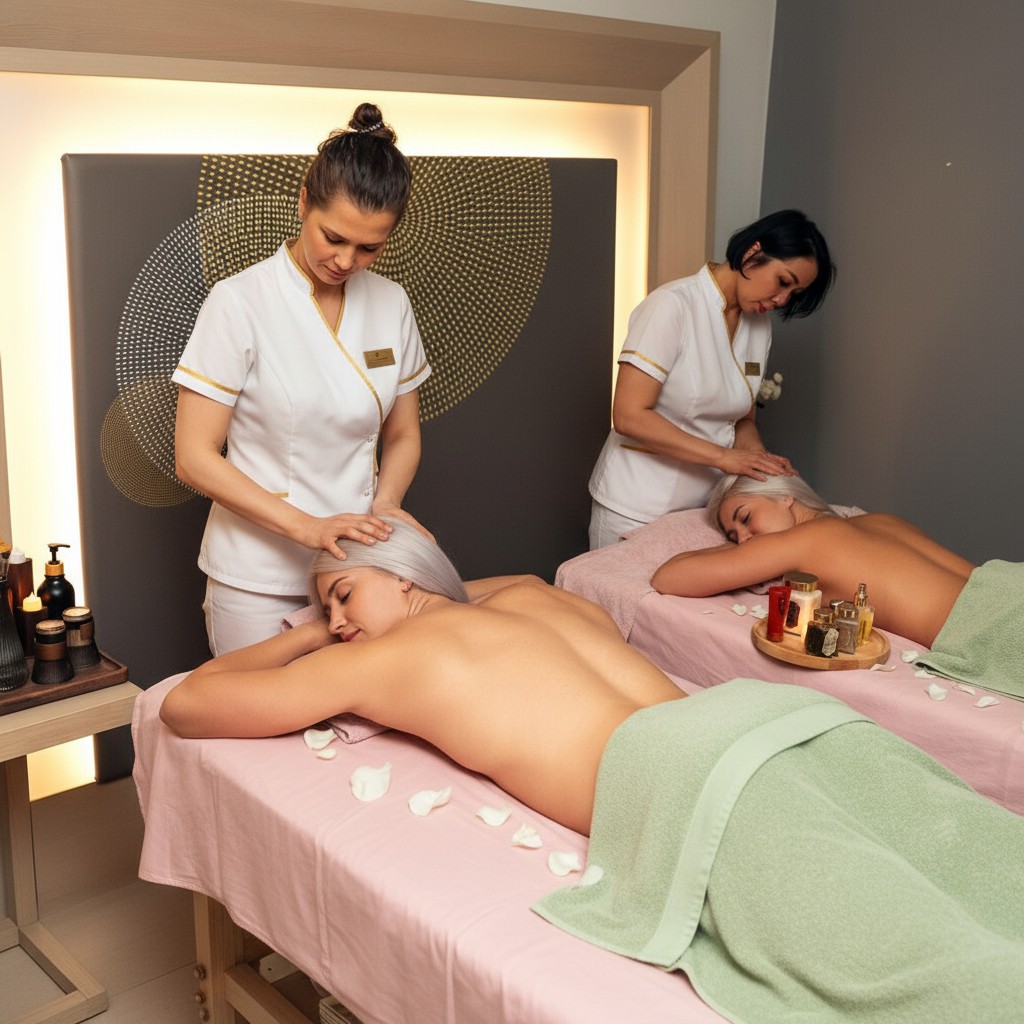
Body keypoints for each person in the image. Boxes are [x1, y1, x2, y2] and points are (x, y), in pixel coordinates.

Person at [160, 519, 1024, 1024]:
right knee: (984, 865)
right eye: (325, 611)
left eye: (341, 594)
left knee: (936, 971)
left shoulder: (384, 660)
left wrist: (313, 638)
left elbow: (189, 703)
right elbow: (473, 587)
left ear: (404, 574)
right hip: (763, 720)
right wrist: (376, 594)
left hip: (690, 778)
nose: (335, 620)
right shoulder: (535, 596)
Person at [173, 102, 432, 656]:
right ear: (303, 203)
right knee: (257, 709)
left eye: (369, 247)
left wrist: (386, 504)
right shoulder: (239, 302)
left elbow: (403, 433)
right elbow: (193, 457)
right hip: (260, 575)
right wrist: (307, 528)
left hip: (356, 572)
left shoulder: (392, 302)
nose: (346, 260)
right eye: (332, 237)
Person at [587, 209, 836, 549]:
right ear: (753, 254)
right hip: (636, 505)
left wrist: (761, 466)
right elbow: (629, 416)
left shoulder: (759, 326)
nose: (781, 300)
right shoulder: (671, 306)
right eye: (783, 281)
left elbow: (742, 420)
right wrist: (724, 458)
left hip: (702, 511)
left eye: (793, 293)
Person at [653, 473, 1024, 700]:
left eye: (746, 518)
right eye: (734, 537)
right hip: (1006, 584)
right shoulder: (877, 520)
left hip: (989, 627)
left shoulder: (802, 541)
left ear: (784, 494)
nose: (745, 539)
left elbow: (668, 577)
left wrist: (735, 551)